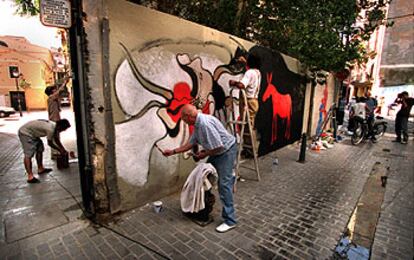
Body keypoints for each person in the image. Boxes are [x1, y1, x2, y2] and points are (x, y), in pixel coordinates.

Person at [163, 104, 238, 233]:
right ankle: (224, 181)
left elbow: (219, 146)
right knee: (206, 174)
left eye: (183, 119)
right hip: (218, 151)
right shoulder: (198, 123)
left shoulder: (204, 124)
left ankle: (230, 220)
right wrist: (173, 151)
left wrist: (204, 154)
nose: (184, 122)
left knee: (223, 185)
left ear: (189, 116)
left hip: (226, 151)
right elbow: (190, 143)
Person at [18, 119, 71, 183]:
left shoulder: (54, 126)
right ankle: (30, 177)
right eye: (63, 129)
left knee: (40, 149)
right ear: (60, 127)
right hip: (25, 133)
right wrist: (60, 150)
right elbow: (50, 143)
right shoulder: (50, 129)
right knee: (28, 154)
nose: (63, 131)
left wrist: (63, 149)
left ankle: (40, 169)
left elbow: (56, 139)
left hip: (33, 134)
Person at [229, 54, 261, 151]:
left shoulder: (249, 72)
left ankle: (251, 150)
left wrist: (233, 82)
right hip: (254, 101)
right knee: (249, 125)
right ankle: (249, 150)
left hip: (248, 101)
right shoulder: (257, 72)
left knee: (247, 126)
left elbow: (242, 85)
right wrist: (244, 61)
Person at [45, 76, 70, 159]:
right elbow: (60, 91)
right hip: (54, 120)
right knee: (55, 137)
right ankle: (55, 153)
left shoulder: (51, 98)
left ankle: (56, 152)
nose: (56, 90)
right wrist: (64, 82)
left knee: (56, 136)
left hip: (55, 119)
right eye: (54, 89)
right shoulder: (51, 98)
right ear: (52, 91)